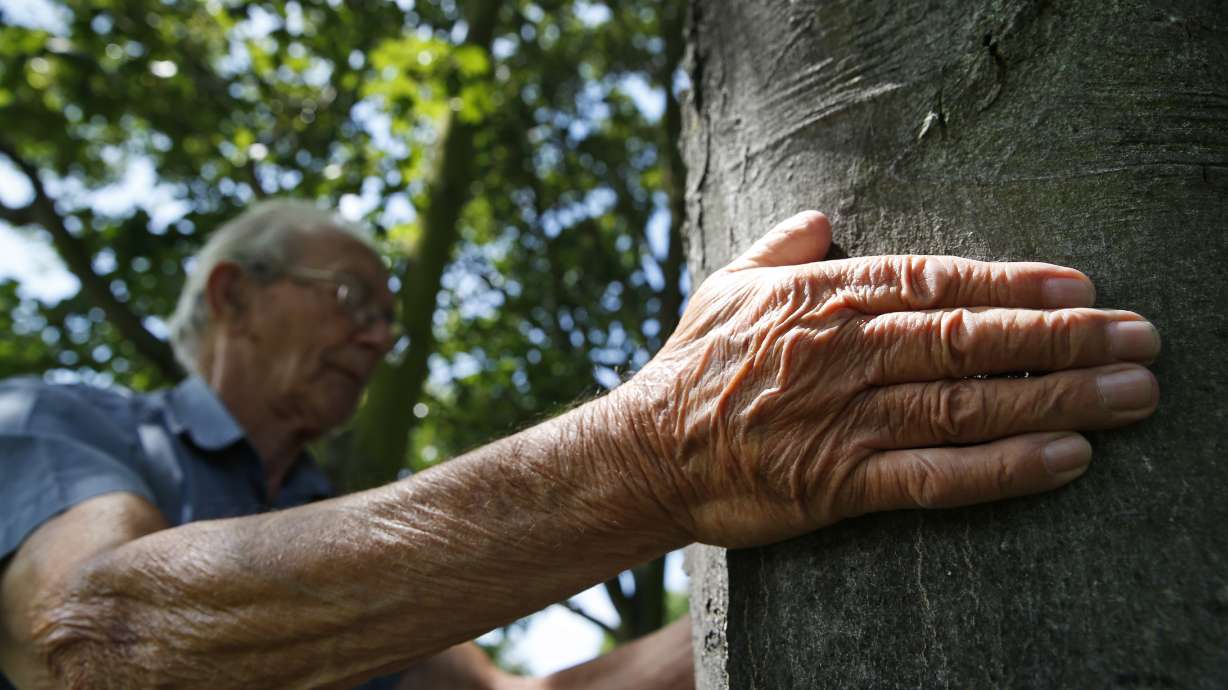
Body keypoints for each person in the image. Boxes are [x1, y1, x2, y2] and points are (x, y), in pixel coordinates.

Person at [0, 200, 1161, 689]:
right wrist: (660, 455)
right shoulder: (69, 421)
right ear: (232, 296)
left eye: (388, 309)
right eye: (350, 295)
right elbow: (97, 636)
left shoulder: (316, 504)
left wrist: (777, 549)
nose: (381, 331)